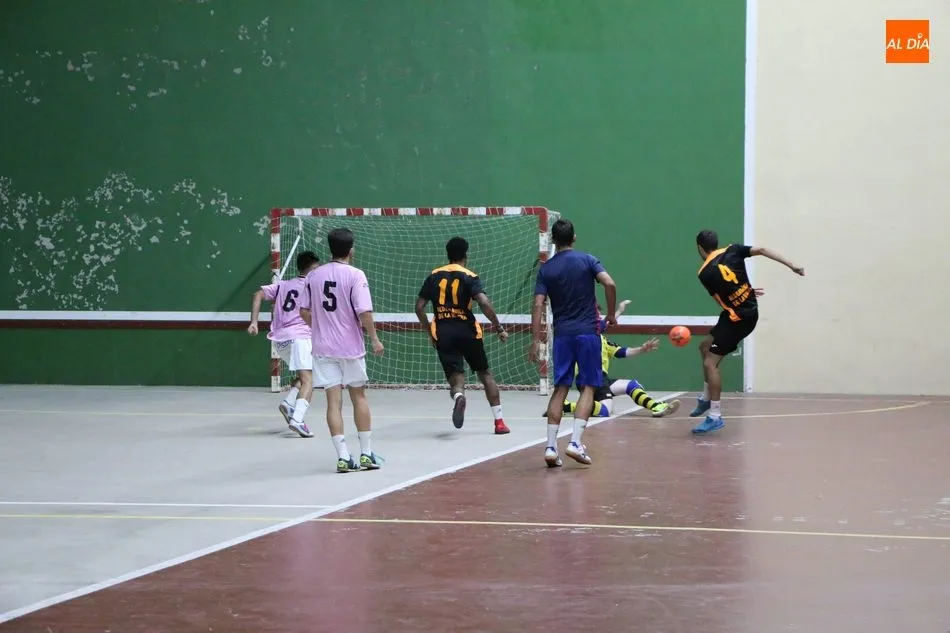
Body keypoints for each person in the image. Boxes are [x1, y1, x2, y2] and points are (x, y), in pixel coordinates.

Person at [690, 230, 804, 434]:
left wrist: (741, 295)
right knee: (704, 347)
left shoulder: (704, 273)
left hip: (739, 319)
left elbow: (722, 300)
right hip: (742, 313)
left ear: (700, 248)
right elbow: (762, 250)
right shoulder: (733, 249)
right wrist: (792, 265)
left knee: (710, 363)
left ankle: (715, 416)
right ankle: (706, 398)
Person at [530, 218, 616, 467]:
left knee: (561, 388)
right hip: (588, 333)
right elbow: (609, 283)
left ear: (553, 240)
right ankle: (575, 443)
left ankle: (550, 447)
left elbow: (538, 304)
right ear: (574, 237)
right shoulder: (587, 260)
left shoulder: (546, 269)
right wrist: (611, 314)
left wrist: (535, 339)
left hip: (562, 336)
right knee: (588, 387)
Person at [299, 228, 385, 473]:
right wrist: (375, 339)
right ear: (351, 250)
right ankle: (366, 454)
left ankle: (343, 457)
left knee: (333, 402)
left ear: (330, 248)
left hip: (323, 349)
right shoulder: (355, 275)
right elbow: (364, 312)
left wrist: (320, 328)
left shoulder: (313, 276)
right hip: (350, 348)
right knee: (359, 397)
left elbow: (303, 311)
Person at [414, 237, 511, 435]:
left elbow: (419, 307)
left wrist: (429, 331)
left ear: (448, 255)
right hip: (468, 332)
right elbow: (483, 302)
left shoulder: (434, 275)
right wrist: (498, 327)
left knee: (456, 380)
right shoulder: (470, 276)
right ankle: (499, 422)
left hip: (444, 333)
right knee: (485, 374)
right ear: (466, 255)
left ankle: (459, 396)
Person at [555, 300, 681, 419]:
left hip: (602, 379)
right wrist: (619, 311)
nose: (598, 315)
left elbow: (621, 352)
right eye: (595, 313)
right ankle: (567, 406)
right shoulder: (585, 334)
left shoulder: (602, 340)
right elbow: (605, 323)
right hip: (590, 378)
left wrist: (642, 349)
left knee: (631, 385)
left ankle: (656, 406)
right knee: (605, 411)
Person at [247, 250, 320, 438]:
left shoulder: (282, 285)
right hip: (300, 338)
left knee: (305, 375)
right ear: (312, 270)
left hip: (280, 341)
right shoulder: (313, 288)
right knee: (309, 380)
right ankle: (298, 419)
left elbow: (257, 294)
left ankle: (288, 403)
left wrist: (254, 322)